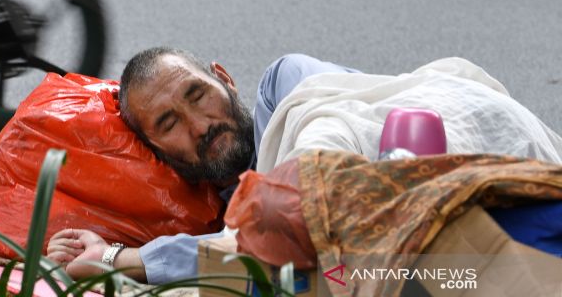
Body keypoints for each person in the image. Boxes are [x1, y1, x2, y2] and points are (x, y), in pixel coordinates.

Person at [46, 47, 562, 285]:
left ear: (224, 79)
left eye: (197, 94)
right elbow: (253, 245)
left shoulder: (287, 90)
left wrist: (119, 259)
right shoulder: (223, 212)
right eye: (169, 123)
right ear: (158, 153)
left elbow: (305, 208)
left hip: (483, 147)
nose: (199, 125)